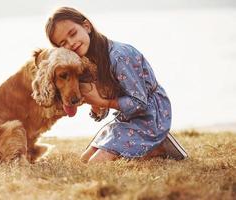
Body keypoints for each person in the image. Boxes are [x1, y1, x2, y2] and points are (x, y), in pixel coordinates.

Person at [45, 7, 187, 164]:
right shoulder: (90, 61)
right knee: (84, 160)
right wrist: (95, 105)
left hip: (152, 116)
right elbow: (107, 100)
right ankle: (146, 148)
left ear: (87, 26)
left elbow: (140, 103)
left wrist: (102, 102)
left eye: (72, 34)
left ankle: (158, 147)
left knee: (95, 164)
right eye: (63, 43)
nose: (71, 43)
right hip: (128, 118)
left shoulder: (119, 56)